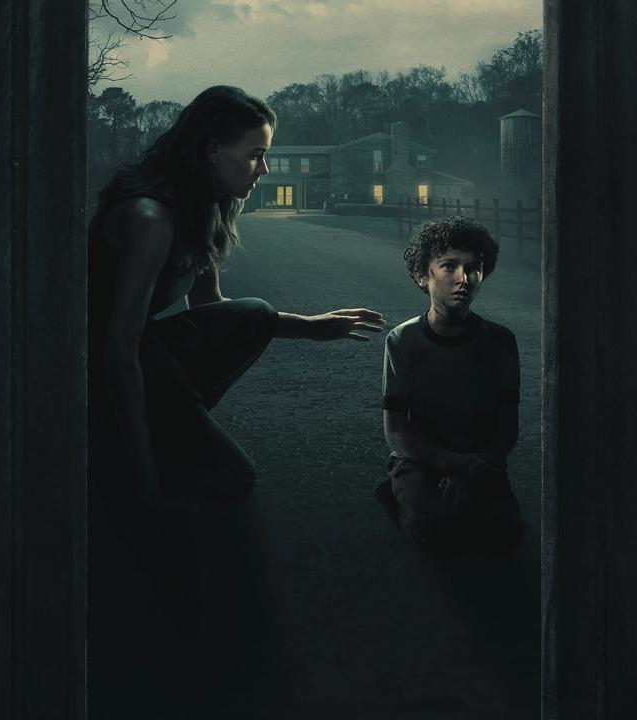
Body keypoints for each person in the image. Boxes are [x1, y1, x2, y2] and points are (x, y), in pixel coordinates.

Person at [88, 85, 386, 508]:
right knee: (228, 476)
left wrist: (311, 327)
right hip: (93, 369)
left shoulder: (206, 207)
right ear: (212, 150)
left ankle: (168, 429)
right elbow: (117, 352)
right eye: (254, 155)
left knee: (254, 314)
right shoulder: (149, 218)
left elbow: (211, 308)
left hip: (145, 358)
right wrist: (141, 472)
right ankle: (121, 453)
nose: (263, 169)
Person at [375, 216, 525, 555]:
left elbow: (507, 426)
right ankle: (396, 494)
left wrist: (472, 470)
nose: (463, 279)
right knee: (435, 529)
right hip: (421, 459)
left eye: (473, 268)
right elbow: (396, 430)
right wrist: (451, 463)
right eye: (448, 266)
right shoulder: (403, 341)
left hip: (480, 461)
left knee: (506, 531)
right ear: (422, 275)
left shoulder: (501, 342)